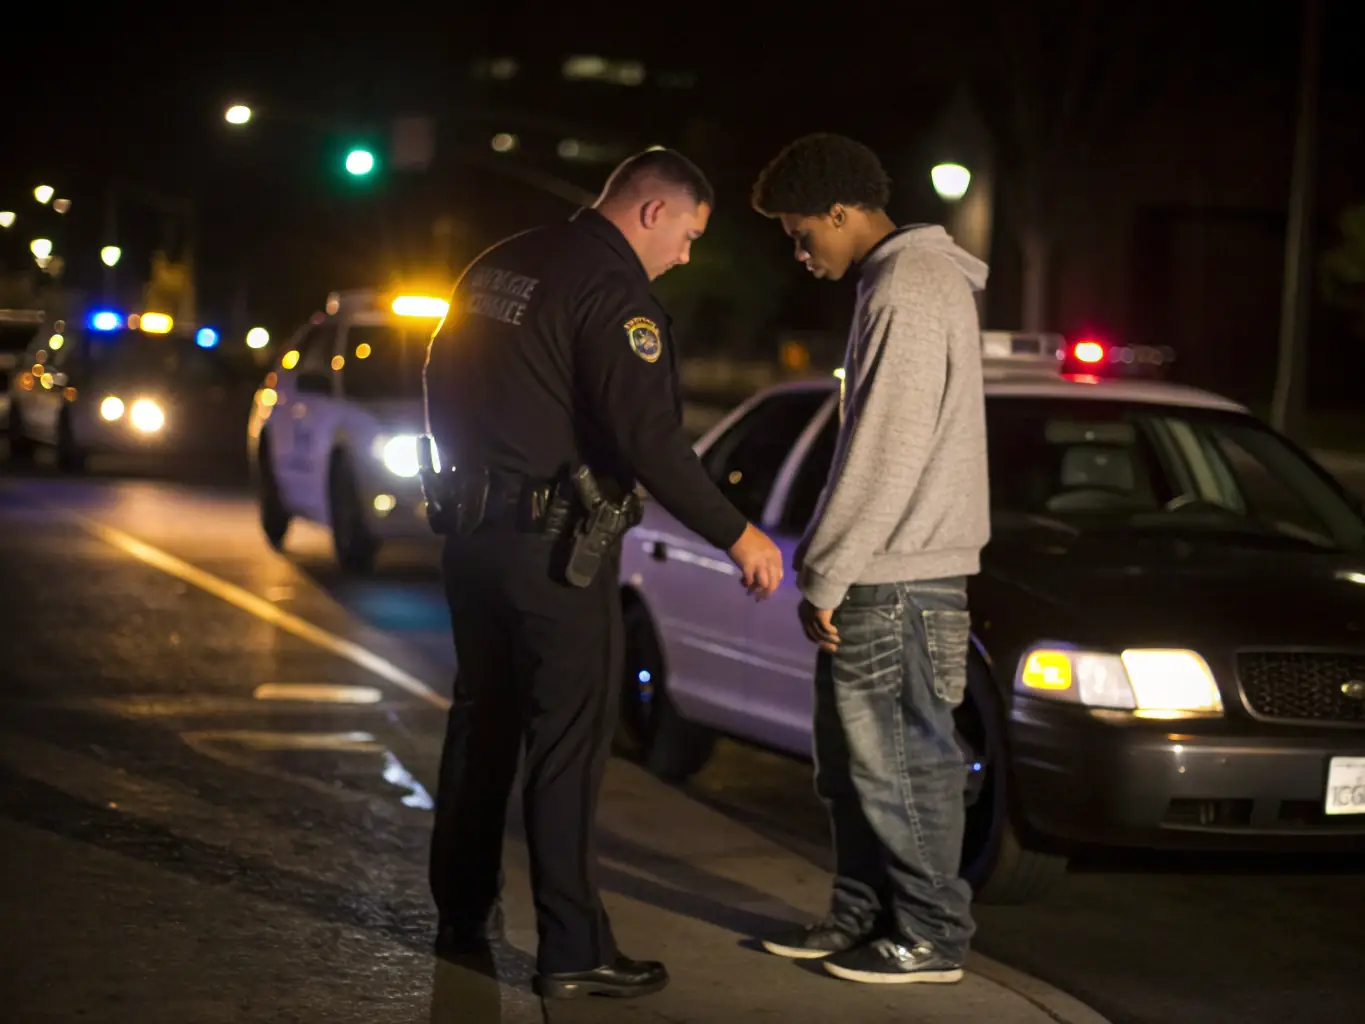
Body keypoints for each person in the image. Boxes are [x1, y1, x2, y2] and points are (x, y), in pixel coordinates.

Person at [422, 148, 784, 1000]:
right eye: (689, 234)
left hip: (470, 535)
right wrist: (739, 537)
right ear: (652, 212)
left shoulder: (497, 262)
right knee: (566, 744)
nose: (687, 255)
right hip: (557, 551)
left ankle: (461, 912)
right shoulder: (616, 295)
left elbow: (437, 371)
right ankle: (573, 947)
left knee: (481, 720)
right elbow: (649, 441)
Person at [748, 133, 991, 985]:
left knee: (901, 762)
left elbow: (884, 448)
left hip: (899, 577)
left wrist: (825, 570)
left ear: (841, 213)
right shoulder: (905, 282)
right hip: (888, 570)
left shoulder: (907, 287)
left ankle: (930, 936)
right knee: (854, 767)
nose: (798, 249)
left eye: (799, 231)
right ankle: (863, 917)